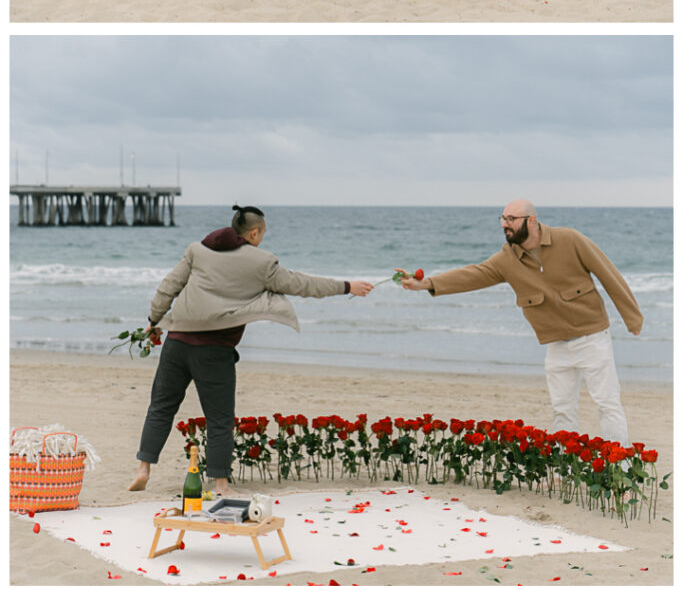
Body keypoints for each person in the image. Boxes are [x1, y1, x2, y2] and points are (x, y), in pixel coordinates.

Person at [129, 204, 373, 494]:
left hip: (177, 342)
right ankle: (220, 484)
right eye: (263, 233)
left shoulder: (197, 250)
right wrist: (347, 286)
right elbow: (302, 284)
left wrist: (154, 320)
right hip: (214, 350)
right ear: (254, 233)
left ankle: (143, 469)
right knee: (219, 417)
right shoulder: (262, 262)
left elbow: (167, 287)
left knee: (161, 406)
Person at [397, 198, 643, 446]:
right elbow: (473, 274)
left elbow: (608, 273)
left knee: (607, 404)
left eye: (511, 219)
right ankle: (565, 469)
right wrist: (427, 283)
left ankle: (618, 466)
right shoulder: (507, 258)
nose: (505, 225)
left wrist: (632, 317)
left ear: (531, 220)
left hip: (592, 338)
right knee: (562, 409)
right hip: (556, 345)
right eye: (503, 219)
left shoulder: (570, 239)